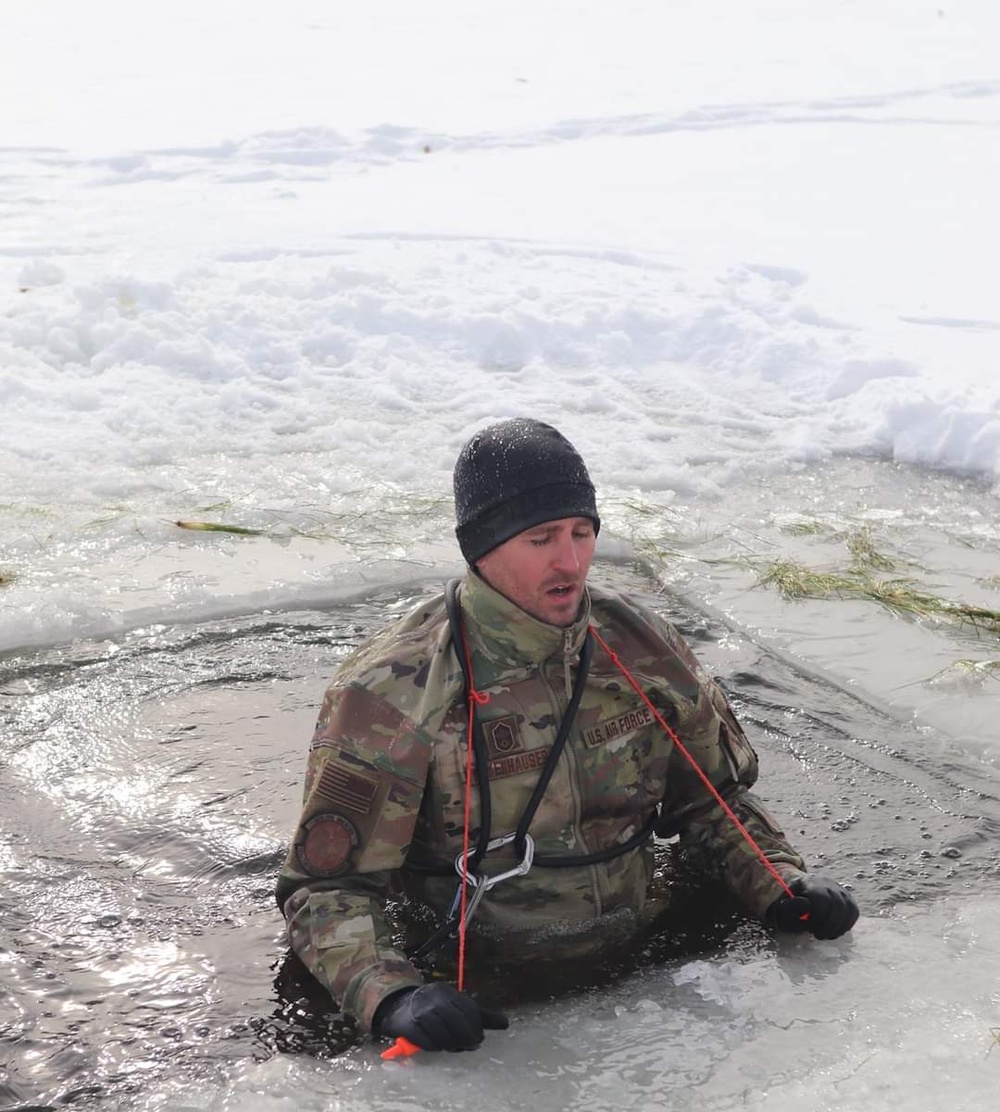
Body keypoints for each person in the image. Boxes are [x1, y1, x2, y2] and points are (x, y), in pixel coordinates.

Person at [275, 419, 858, 1053]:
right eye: (541, 538)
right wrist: (390, 994)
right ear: (482, 549)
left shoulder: (642, 646)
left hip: (643, 963)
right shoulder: (394, 690)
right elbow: (326, 888)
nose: (570, 561)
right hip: (481, 987)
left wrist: (780, 884)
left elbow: (714, 805)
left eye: (582, 533)